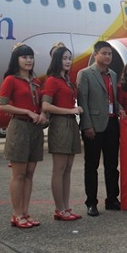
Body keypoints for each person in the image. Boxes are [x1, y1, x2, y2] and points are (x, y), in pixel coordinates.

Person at [0, 44, 47, 229]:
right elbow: (2, 105)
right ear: (16, 59)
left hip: (35, 129)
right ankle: (17, 214)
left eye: (31, 57)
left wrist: (42, 114)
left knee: (29, 174)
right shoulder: (11, 80)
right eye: (24, 57)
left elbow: (41, 102)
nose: (28, 60)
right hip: (19, 127)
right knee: (18, 174)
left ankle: (26, 212)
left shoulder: (35, 81)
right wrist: (27, 111)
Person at [76, 41, 125, 217]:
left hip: (112, 124)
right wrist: (87, 124)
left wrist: (119, 107)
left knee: (112, 165)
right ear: (95, 55)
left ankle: (112, 199)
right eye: (104, 53)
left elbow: (112, 98)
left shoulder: (112, 74)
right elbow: (83, 101)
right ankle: (91, 202)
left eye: (110, 54)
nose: (108, 57)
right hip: (94, 126)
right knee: (92, 166)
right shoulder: (85, 74)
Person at [41, 45, 83, 221]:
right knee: (59, 169)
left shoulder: (67, 80)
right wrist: (70, 111)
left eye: (69, 58)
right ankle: (59, 208)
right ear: (57, 60)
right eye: (65, 58)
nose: (68, 61)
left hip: (71, 125)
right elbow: (45, 106)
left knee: (67, 169)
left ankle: (66, 207)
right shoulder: (52, 80)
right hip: (60, 124)